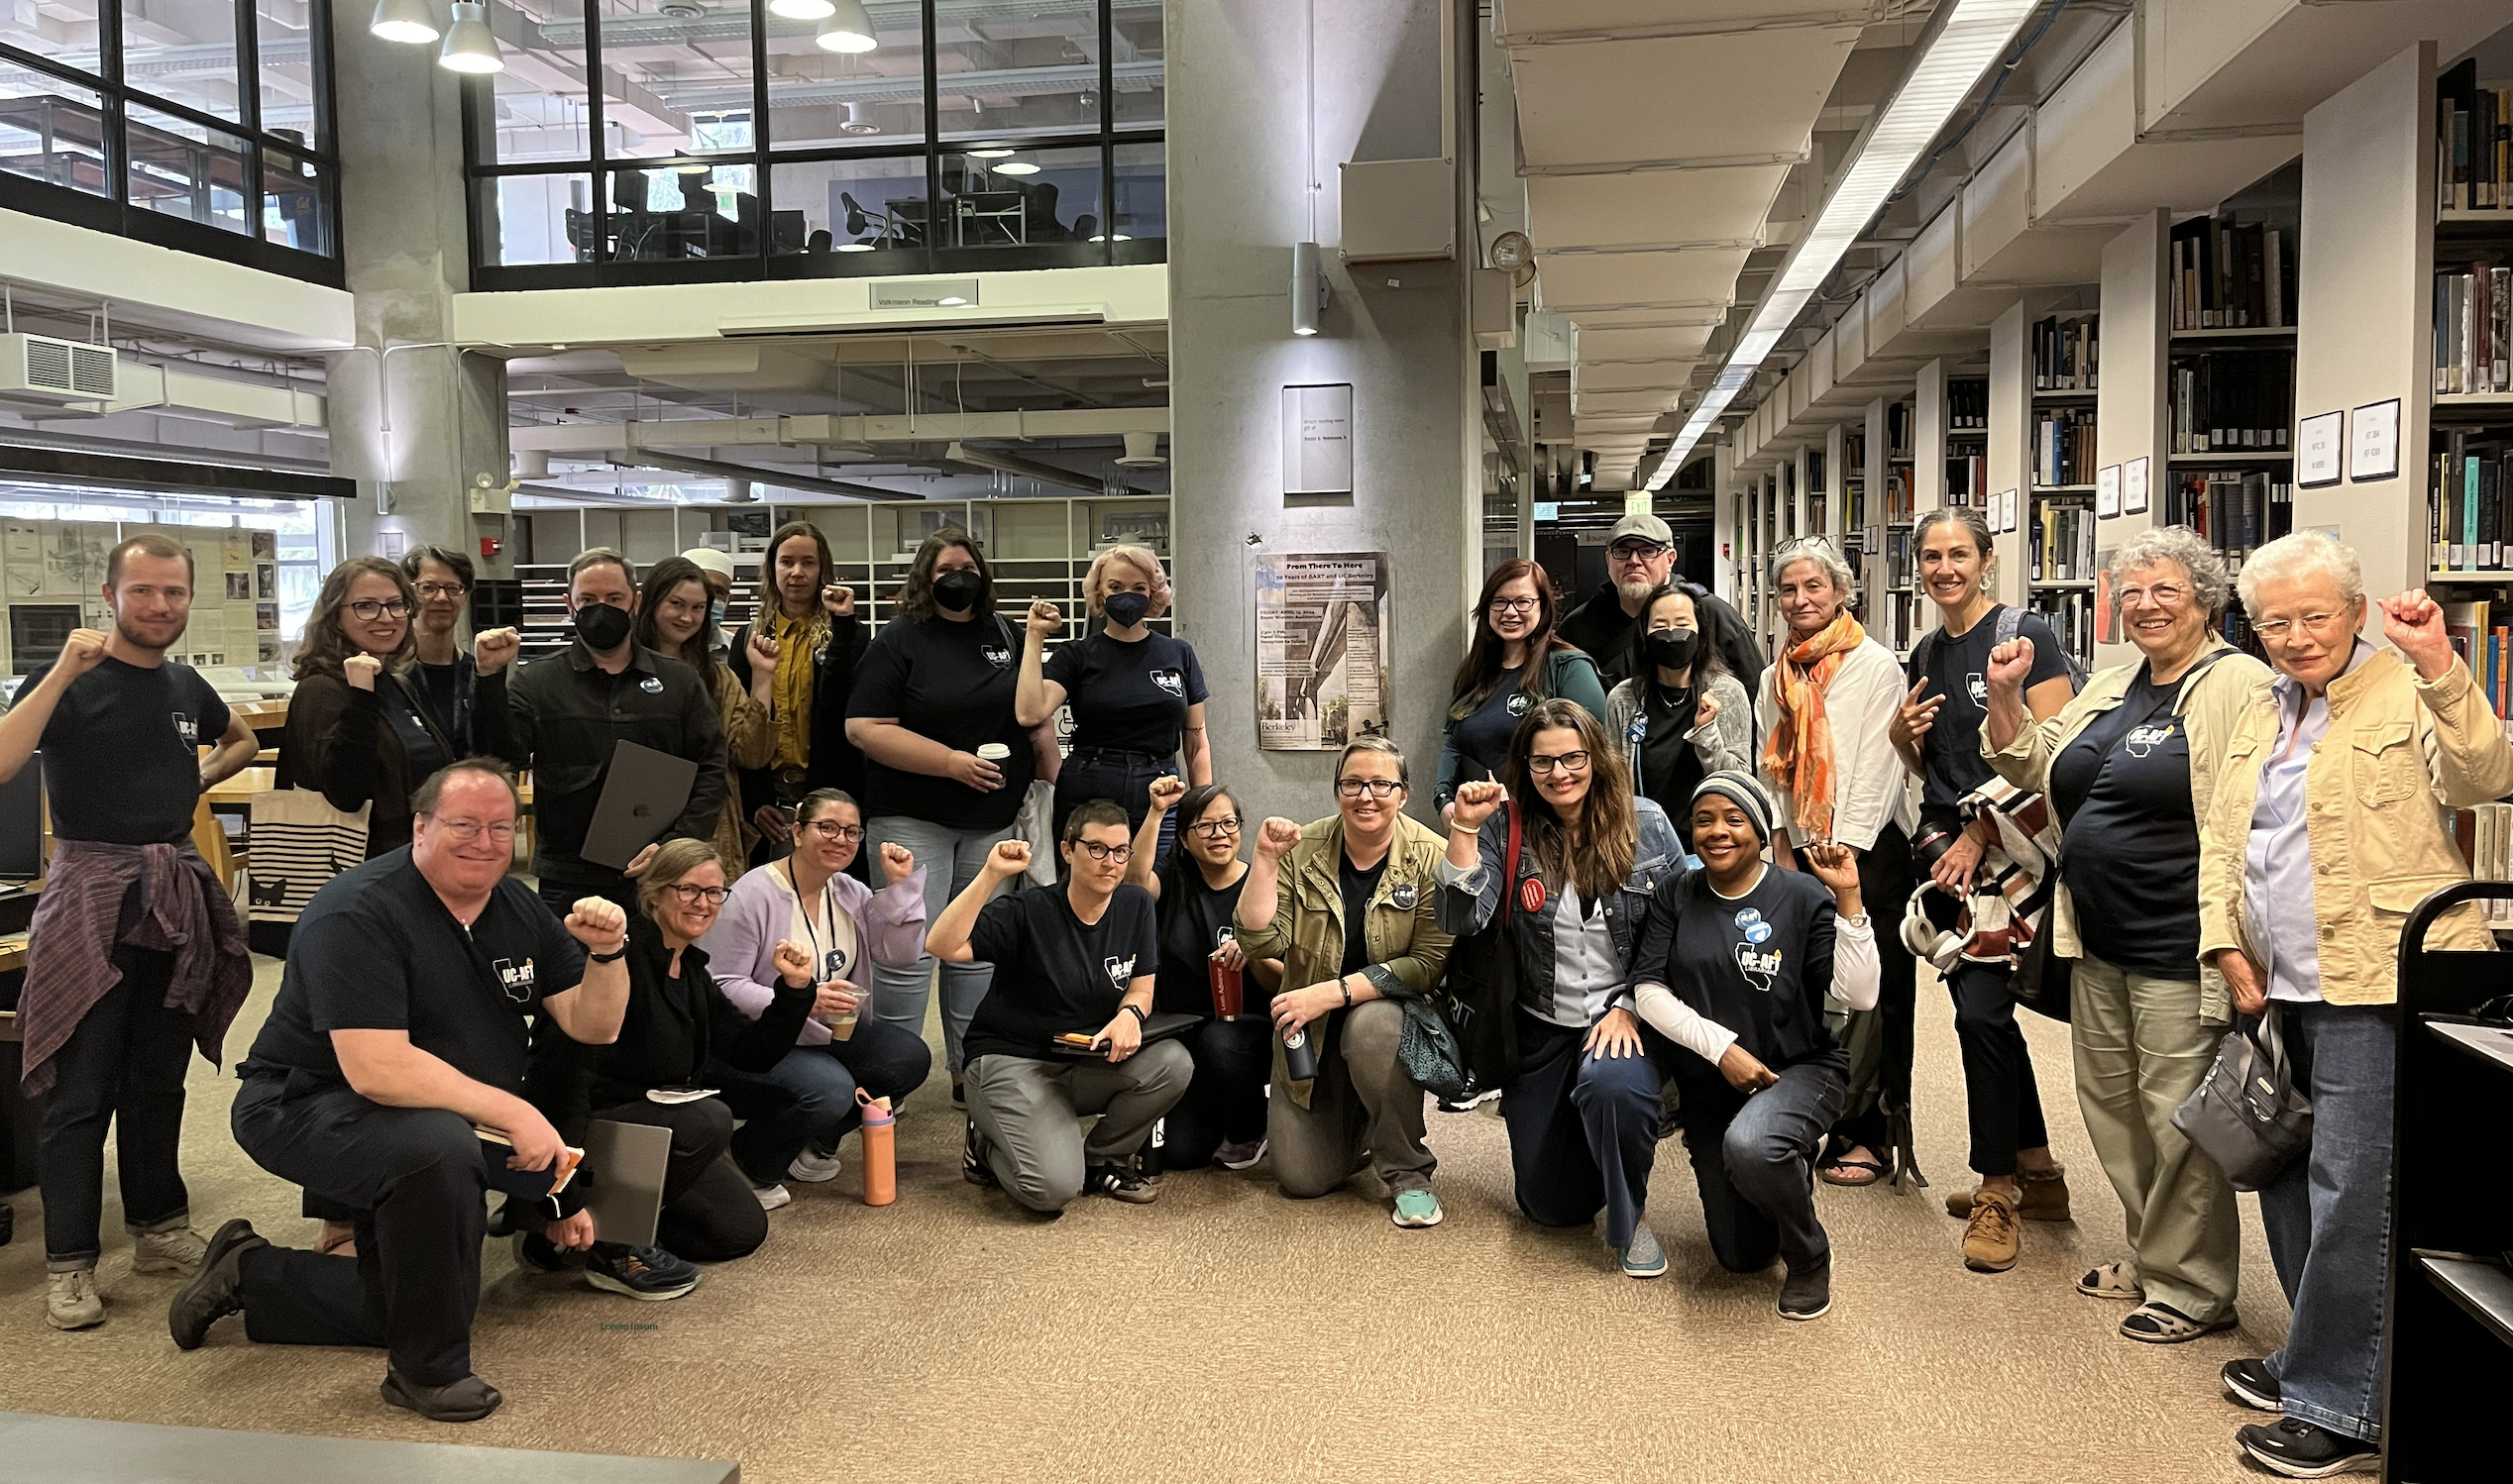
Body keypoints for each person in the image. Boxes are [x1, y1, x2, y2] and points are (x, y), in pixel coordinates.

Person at [170, 760, 630, 1424]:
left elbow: (595, 1023)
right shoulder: (357, 911)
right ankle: (428, 1374)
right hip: (301, 1103)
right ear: (420, 826)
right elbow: (377, 1070)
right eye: (464, 824)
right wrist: (515, 1111)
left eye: (502, 827)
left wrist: (607, 955)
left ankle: (251, 1270)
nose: (485, 841)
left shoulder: (517, 905)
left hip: (424, 1112)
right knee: (437, 1151)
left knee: (419, 1302)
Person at [2197, 534, 2513, 1478]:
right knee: (2280, 1172)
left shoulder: (2408, 687)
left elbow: (2485, 779)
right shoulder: (2262, 705)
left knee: (2354, 1194)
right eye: (2275, 622)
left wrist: (2444, 667)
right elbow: (2226, 833)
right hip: (2277, 977)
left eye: (2316, 617)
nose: (2296, 639)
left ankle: (2344, 1403)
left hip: (2378, 982)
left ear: (2357, 609)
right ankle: (2318, 1355)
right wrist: (2223, 941)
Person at [1982, 525, 2272, 1343]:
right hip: (2095, 937)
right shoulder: (2112, 683)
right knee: (2113, 1110)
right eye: (2131, 592)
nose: (2144, 606)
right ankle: (2154, 1256)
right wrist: (2006, 693)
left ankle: (2195, 1288)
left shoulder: (2238, 682)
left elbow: (2249, 809)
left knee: (2177, 1118)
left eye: (2165, 592)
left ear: (2206, 601)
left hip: (2183, 940)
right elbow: (2029, 764)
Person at [0, 533, 258, 1330]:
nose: (160, 607)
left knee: (159, 1074)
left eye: (174, 593)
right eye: (142, 592)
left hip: (171, 893)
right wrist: (57, 674)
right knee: (81, 1089)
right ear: (110, 595)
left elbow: (240, 739)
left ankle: (158, 1227)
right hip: (90, 897)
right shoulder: (68, 683)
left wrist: (199, 778)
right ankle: (70, 1262)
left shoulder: (184, 684)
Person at [1883, 507, 2074, 1273]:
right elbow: (1933, 768)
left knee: (1980, 1016)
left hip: (2010, 851)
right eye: (1930, 556)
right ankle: (2036, 1168)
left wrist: (1981, 833)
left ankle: (1997, 1189)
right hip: (1948, 851)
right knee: (1987, 1014)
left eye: (1958, 554)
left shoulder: (2026, 635)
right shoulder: (1927, 647)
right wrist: (1902, 737)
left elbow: (2058, 757)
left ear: (1987, 561)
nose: (1944, 568)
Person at [1440, 699, 1687, 1276]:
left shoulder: (1646, 823)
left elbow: (1679, 931)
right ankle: (1595, 1150)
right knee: (1548, 1208)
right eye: (1543, 762)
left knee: (1612, 1087)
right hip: (1541, 1024)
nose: (1560, 774)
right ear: (1524, 766)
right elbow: (1460, 920)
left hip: (1623, 1017)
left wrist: (1631, 1004)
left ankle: (1632, 1216)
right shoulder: (1507, 827)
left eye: (1572, 758)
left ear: (1596, 758)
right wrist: (1464, 829)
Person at [527, 837, 839, 1292]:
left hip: (652, 1134)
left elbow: (751, 1054)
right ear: (655, 892)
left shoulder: (690, 966)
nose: (704, 903)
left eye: (715, 893)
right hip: (594, 1130)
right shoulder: (616, 958)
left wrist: (794, 990)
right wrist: (562, 1190)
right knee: (708, 1118)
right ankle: (610, 1246)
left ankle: (582, 1234)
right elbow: (562, 1078)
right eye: (689, 890)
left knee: (739, 1230)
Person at [1628, 772, 1877, 1321]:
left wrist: (1850, 900)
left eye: (1734, 820)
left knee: (1753, 1145)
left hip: (1799, 1067)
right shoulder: (1676, 893)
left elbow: (1859, 994)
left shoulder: (1802, 895)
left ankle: (1810, 1255)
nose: (1717, 832)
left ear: (1760, 833)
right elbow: (1647, 992)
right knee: (1741, 1256)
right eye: (1703, 820)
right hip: (1710, 1086)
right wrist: (1721, 1050)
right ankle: (1783, 1166)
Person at [845, 526, 1045, 1097]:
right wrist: (950, 763)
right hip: (912, 816)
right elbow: (864, 728)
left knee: (976, 953)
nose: (958, 580)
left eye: (968, 570)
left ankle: (971, 1069)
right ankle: (890, 1076)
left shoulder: (1004, 634)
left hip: (992, 821)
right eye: (944, 572)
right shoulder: (899, 640)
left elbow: (1030, 711)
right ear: (924, 580)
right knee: (906, 953)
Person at [1751, 537, 1919, 1194]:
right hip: (1801, 851)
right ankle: (1812, 1112)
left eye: (1813, 588)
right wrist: (1784, 845)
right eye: (1788, 590)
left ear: (1841, 592)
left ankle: (1868, 1131)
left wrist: (1840, 848)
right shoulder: (1775, 676)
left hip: (1868, 853)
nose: (1800, 601)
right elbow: (1773, 769)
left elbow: (1880, 769)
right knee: (1810, 988)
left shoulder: (1876, 666)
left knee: (1870, 994)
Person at [1235, 737, 1456, 1227]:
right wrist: (1266, 862)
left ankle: (1407, 1171)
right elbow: (1260, 942)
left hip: (1382, 1024)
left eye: (1381, 784)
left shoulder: (1432, 855)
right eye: (1352, 783)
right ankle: (1359, 1119)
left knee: (1372, 1025)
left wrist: (1331, 993)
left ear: (1403, 793)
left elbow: (1426, 964)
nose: (1366, 796)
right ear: (1337, 790)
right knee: (1301, 1179)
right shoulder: (1304, 848)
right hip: (1309, 1035)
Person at [928, 808, 1189, 1214]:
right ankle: (986, 1142)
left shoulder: (1134, 904)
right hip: (1013, 1059)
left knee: (1172, 1062)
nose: (1111, 863)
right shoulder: (1028, 910)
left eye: (1121, 851)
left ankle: (1103, 1157)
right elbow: (942, 945)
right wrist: (991, 874)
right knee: (1050, 1190)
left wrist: (1129, 1016)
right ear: (1068, 850)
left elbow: (1141, 986)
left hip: (1082, 1056)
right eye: (1097, 848)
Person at [703, 788, 936, 1197]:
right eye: (826, 827)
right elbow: (723, 985)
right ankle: (747, 1162)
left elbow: (899, 956)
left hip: (829, 1033)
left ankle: (813, 1143)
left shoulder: (850, 891)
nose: (840, 839)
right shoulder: (751, 894)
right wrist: (801, 1000)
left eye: (851, 831)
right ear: (795, 832)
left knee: (908, 1057)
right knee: (830, 1089)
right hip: (760, 1038)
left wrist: (899, 887)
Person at [499, 548, 728, 918]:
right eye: (587, 599)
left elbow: (712, 768)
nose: (601, 609)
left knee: (658, 974)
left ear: (635, 602)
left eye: (614, 598)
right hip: (568, 877)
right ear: (568, 605)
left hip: (660, 874)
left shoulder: (679, 681)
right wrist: (490, 681)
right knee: (572, 975)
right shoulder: (537, 682)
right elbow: (500, 757)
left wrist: (676, 843)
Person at [281, 557, 520, 860]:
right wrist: (360, 696)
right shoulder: (321, 689)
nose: (386, 617)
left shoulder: (395, 683)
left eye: (396, 604)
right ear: (334, 616)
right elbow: (346, 793)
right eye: (366, 606)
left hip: (415, 859)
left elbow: (495, 761)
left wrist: (489, 678)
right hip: (357, 869)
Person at [1124, 776, 1283, 1171]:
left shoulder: (1261, 886)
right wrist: (1158, 811)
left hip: (1249, 1034)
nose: (1220, 834)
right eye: (1205, 826)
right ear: (1184, 837)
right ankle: (1220, 1109)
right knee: (1181, 1154)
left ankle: (1253, 1128)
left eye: (1229, 823)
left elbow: (1283, 982)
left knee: (1219, 1042)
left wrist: (1254, 949)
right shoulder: (1175, 880)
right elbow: (1134, 884)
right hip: (1182, 1034)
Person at [1016, 544, 1211, 861]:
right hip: (1090, 785)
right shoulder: (1076, 655)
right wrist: (1035, 636)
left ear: (1154, 593)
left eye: (1139, 588)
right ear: (1099, 593)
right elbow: (1029, 712)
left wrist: (1203, 806)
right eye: (1115, 587)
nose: (1127, 596)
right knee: (1087, 895)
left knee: (1153, 890)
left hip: (1159, 786)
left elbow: (1195, 738)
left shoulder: (1178, 654)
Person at [727, 521, 865, 865]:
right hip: (768, 795)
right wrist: (755, 800)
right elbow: (740, 725)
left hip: (830, 791)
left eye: (809, 562)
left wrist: (842, 625)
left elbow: (842, 714)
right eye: (787, 562)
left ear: (823, 570)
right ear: (772, 568)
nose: (797, 572)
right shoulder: (750, 638)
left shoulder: (850, 635)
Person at [634, 555, 778, 880]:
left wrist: (763, 678)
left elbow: (751, 753)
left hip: (710, 824)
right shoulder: (621, 669)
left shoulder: (717, 677)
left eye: (698, 608)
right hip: (637, 816)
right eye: (677, 604)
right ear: (651, 601)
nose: (687, 617)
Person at [1435, 558, 1609, 812]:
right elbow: (1453, 741)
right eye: (1500, 601)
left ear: (1543, 606)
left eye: (1523, 602)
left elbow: (1592, 755)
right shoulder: (1475, 670)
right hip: (1478, 822)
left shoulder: (1568, 668)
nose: (1510, 611)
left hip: (1544, 824)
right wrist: (1443, 800)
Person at [1602, 580, 1755, 853]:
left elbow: (1740, 782)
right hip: (1643, 849)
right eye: (1660, 626)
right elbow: (1614, 785)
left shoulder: (1727, 692)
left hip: (1711, 850)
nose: (1673, 634)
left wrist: (1707, 733)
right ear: (1644, 635)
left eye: (1683, 624)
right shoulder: (1623, 699)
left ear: (1701, 631)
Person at [1558, 511, 1763, 694]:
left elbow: (1755, 692)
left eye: (1648, 551)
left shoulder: (1711, 615)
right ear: (1608, 560)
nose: (1634, 560)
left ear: (1671, 559)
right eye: (1622, 551)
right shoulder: (1578, 628)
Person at [400, 545, 486, 751]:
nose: (441, 598)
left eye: (452, 588)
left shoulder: (476, 672)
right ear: (407, 595)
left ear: (465, 597)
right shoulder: (390, 674)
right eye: (428, 588)